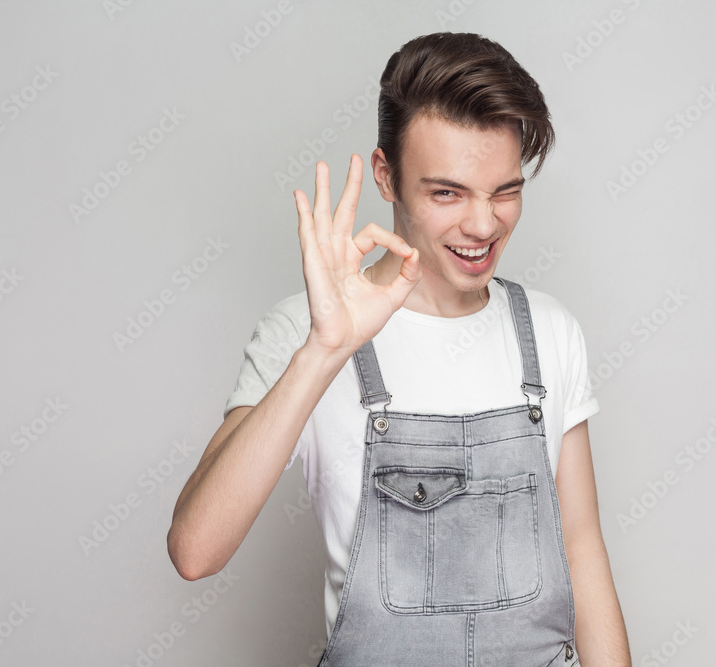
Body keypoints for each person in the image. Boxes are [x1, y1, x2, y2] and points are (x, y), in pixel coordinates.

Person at [168, 32, 631, 666]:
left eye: (504, 190)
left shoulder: (548, 330)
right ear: (386, 177)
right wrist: (325, 351)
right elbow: (196, 550)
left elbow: (580, 547)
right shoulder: (302, 332)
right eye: (447, 192)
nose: (482, 224)